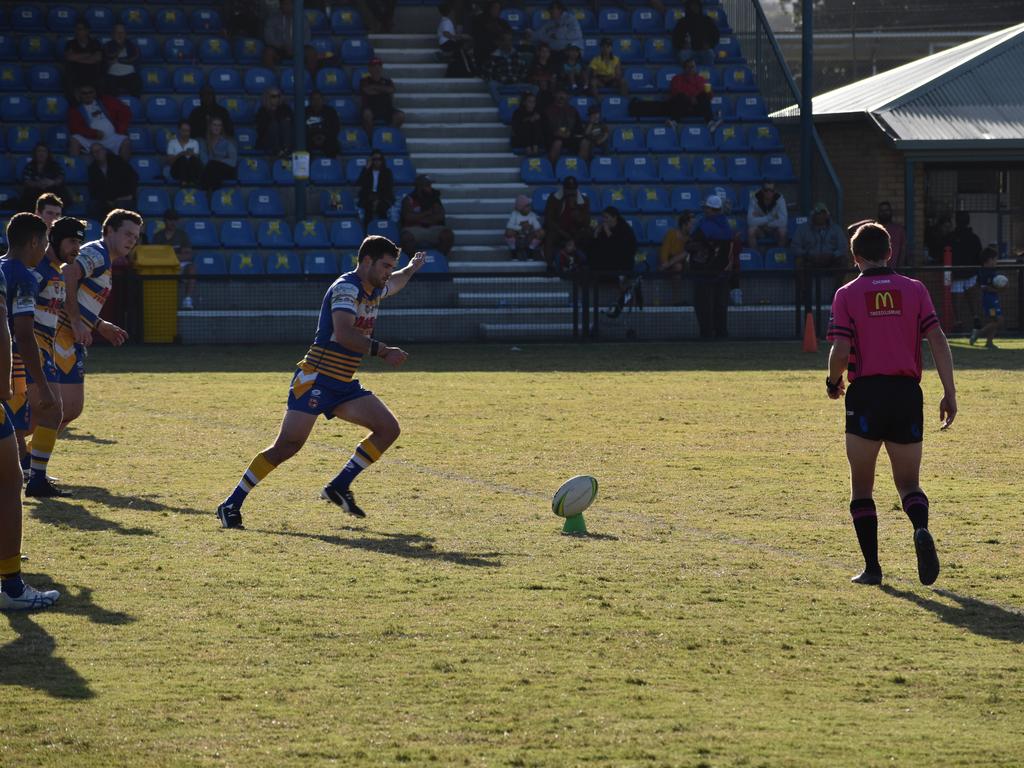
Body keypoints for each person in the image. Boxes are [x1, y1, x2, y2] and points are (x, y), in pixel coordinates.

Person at [216, 238, 427, 528]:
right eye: (386, 266)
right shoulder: (346, 288)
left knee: (388, 429)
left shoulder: (375, 287)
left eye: (392, 266)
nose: (389, 272)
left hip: (342, 383)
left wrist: (410, 269)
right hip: (316, 379)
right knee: (287, 446)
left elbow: (397, 282)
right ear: (367, 261)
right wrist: (383, 350)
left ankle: (339, 486)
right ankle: (231, 503)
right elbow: (343, 334)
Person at [825, 221, 956, 587]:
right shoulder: (914, 289)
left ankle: (873, 569)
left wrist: (833, 382)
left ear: (855, 257)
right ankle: (920, 528)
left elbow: (841, 350)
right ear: (889, 252)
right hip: (906, 394)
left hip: (866, 395)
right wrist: (950, 391)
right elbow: (938, 339)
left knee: (862, 488)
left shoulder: (847, 293)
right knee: (909, 484)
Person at [0, 214, 61, 611]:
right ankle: (12, 585)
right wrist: (39, 383)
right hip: (7, 384)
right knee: (9, 483)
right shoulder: (21, 276)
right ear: (36, 242)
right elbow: (21, 334)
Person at [53, 209, 136, 433]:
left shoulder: (103, 259)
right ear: (109, 230)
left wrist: (98, 324)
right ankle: (22, 459)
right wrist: (76, 322)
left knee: (67, 409)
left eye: (136, 237)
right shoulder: (98, 253)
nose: (132, 240)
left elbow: (79, 296)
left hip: (68, 337)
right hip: (59, 335)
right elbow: (68, 273)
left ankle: (28, 462)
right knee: (58, 408)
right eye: (128, 234)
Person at [18, 217, 83, 497]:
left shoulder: (56, 271)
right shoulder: (38, 271)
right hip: (31, 351)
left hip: (47, 351)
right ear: (54, 240)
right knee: (34, 414)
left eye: (80, 242)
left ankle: (35, 475)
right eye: (72, 241)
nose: (76, 248)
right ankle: (32, 475)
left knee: (50, 413)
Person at [686, 195, 735, 339]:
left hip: (704, 272)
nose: (705, 210)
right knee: (720, 305)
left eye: (706, 208)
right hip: (722, 271)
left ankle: (706, 334)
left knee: (703, 305)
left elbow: (690, 245)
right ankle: (721, 333)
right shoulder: (726, 224)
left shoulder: (705, 225)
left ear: (710, 209)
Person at [792, 202, 846, 301]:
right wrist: (808, 254)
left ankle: (836, 294)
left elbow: (843, 247)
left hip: (830, 260)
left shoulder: (836, 229)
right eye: (817, 213)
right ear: (813, 215)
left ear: (827, 215)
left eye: (822, 213)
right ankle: (805, 294)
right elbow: (795, 247)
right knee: (799, 262)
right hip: (810, 260)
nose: (820, 216)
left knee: (843, 261)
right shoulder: (802, 229)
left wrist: (832, 255)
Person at [943, 210, 983, 333]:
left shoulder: (950, 237)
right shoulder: (974, 237)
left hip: (956, 273)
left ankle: (959, 322)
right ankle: (975, 318)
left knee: (957, 298)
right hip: (970, 272)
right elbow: (979, 256)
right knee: (972, 297)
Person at [68, 86, 132, 160]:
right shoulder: (75, 108)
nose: (88, 95)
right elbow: (76, 127)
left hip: (111, 137)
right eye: (84, 93)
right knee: (73, 140)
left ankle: (123, 167)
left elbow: (125, 111)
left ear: (95, 93)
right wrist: (93, 133)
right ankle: (73, 167)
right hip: (90, 139)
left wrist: (121, 128)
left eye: (90, 92)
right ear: (79, 95)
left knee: (126, 142)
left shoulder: (107, 101)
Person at [149, 211, 195, 310]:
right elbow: (154, 255)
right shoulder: (158, 236)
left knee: (191, 268)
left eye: (175, 220)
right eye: (170, 220)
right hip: (163, 266)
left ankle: (187, 300)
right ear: (165, 221)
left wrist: (169, 256)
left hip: (179, 265)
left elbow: (188, 255)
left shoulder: (182, 235)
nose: (172, 223)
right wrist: (174, 256)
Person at [542, 176, 591, 270]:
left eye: (573, 191)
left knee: (588, 233)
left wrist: (577, 212)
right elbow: (549, 220)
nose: (570, 194)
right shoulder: (554, 198)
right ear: (564, 189)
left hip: (575, 231)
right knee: (550, 235)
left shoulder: (584, 200)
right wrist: (563, 233)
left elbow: (586, 222)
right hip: (559, 230)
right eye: (568, 191)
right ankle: (550, 265)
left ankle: (586, 263)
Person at [400, 175, 454, 256]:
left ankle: (438, 258)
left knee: (447, 235)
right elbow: (408, 217)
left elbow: (440, 216)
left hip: (433, 227)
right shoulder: (409, 199)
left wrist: (419, 217)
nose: (430, 188)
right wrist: (428, 213)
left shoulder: (435, 198)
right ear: (419, 187)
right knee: (406, 237)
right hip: (415, 228)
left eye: (430, 185)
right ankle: (413, 262)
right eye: (427, 186)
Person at [87, 144, 138, 221]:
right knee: (94, 206)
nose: (97, 153)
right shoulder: (92, 169)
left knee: (121, 206)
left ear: (104, 151)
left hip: (123, 197)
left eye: (99, 150)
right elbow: (94, 190)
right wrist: (107, 201)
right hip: (105, 200)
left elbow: (132, 178)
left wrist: (128, 195)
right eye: (94, 152)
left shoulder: (118, 162)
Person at [359, 58, 406, 140]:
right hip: (371, 109)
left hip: (387, 109)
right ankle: (370, 139)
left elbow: (392, 90)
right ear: (369, 69)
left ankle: (389, 136)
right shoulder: (364, 81)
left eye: (379, 66)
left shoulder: (388, 81)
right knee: (367, 114)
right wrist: (383, 90)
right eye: (374, 67)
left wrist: (374, 88)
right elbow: (367, 90)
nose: (377, 69)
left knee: (400, 115)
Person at [19, 145, 70, 213]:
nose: (41, 153)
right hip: (35, 192)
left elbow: (61, 178)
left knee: (60, 191)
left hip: (52, 191)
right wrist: (37, 184)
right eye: (39, 151)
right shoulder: (30, 166)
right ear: (35, 153)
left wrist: (52, 182)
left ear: (48, 153)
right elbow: (26, 180)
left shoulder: (55, 166)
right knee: (27, 194)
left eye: (44, 151)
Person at [544, 89, 588, 167]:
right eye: (559, 93)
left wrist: (570, 133)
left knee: (585, 142)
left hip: (570, 136)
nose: (561, 96)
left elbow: (579, 128)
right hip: (553, 137)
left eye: (564, 94)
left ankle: (580, 168)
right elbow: (544, 128)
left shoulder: (573, 110)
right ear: (555, 95)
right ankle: (553, 169)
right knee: (558, 143)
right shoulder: (548, 110)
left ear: (567, 96)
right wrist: (555, 132)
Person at [971, 247, 1004, 349]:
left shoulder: (989, 271)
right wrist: (999, 289)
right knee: (999, 320)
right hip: (990, 301)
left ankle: (989, 342)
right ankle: (978, 333)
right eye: (995, 259)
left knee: (993, 320)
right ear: (989, 260)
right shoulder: (986, 272)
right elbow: (984, 287)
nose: (996, 262)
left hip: (992, 299)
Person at [666, 57, 713, 126]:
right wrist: (690, 98)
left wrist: (707, 94)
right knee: (680, 96)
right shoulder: (677, 79)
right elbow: (675, 92)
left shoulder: (701, 79)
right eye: (689, 67)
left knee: (704, 95)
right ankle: (674, 121)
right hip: (683, 108)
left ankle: (710, 122)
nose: (691, 69)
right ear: (684, 68)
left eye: (693, 66)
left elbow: (708, 95)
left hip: (697, 107)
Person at [263, 0, 311, 67]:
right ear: (280, 5)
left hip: (298, 49)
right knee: (268, 52)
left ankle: (310, 76)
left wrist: (295, 47)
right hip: (279, 49)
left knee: (311, 53)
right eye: (284, 4)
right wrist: (281, 45)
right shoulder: (272, 19)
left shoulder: (302, 18)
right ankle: (271, 76)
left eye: (289, 4)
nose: (286, 6)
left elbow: (307, 37)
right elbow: (268, 37)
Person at [484, 33, 529, 104]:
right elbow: (488, 73)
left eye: (510, 40)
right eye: (506, 40)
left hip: (515, 82)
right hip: (500, 83)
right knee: (491, 84)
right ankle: (502, 103)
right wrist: (499, 78)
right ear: (501, 42)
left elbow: (524, 69)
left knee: (534, 88)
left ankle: (520, 102)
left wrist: (518, 79)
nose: (508, 43)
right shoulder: (494, 56)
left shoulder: (517, 54)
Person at [62, 19, 104, 97]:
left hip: (92, 75)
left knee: (101, 82)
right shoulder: (70, 43)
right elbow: (70, 57)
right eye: (76, 29)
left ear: (87, 31)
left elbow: (97, 58)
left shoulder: (95, 43)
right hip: (75, 76)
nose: (77, 31)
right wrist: (89, 54)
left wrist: (77, 58)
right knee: (68, 81)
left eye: (80, 29)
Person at [671, 0, 719, 66]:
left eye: (697, 6)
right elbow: (675, 38)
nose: (695, 8)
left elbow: (716, 35)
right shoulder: (682, 22)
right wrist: (682, 45)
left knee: (710, 54)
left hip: (704, 50)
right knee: (683, 54)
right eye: (692, 6)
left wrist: (710, 44)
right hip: (689, 50)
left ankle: (708, 72)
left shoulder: (707, 20)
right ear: (689, 7)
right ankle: (687, 74)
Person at [356, 150, 395, 230]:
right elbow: (359, 182)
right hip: (368, 196)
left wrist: (378, 199)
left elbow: (387, 188)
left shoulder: (387, 172)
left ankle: (384, 232)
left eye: (379, 159)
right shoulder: (367, 172)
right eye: (374, 159)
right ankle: (367, 233)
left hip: (383, 197)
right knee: (368, 208)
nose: (377, 162)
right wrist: (366, 168)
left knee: (382, 208)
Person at [102, 23, 142, 98]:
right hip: (112, 75)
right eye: (117, 32)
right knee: (106, 84)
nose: (120, 35)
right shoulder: (107, 45)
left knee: (137, 82)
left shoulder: (132, 45)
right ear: (113, 34)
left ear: (125, 34)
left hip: (129, 75)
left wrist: (118, 60)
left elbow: (135, 59)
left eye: (122, 32)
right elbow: (107, 57)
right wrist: (117, 51)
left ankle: (134, 105)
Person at [198, 118, 238, 192]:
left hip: (226, 170)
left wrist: (219, 160)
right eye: (214, 125)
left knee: (213, 165)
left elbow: (233, 161)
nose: (217, 127)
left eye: (219, 125)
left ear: (222, 128)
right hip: (210, 170)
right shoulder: (204, 142)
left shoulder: (227, 143)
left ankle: (203, 192)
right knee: (211, 167)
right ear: (210, 127)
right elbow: (204, 160)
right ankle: (214, 193)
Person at [437, 3, 477, 77]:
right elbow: (446, 33)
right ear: (450, 12)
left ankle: (447, 56)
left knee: (461, 48)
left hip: (447, 43)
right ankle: (468, 69)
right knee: (462, 48)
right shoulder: (446, 21)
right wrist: (458, 37)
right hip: (446, 43)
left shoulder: (445, 20)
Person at [747, 181, 787, 248]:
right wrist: (770, 218)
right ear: (762, 191)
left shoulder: (780, 199)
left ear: (774, 191)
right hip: (761, 230)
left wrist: (763, 221)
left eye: (771, 190)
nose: (769, 192)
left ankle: (780, 255)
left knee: (783, 231)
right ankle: (755, 256)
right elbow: (750, 221)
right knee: (751, 231)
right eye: (766, 190)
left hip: (774, 229)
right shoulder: (754, 198)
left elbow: (783, 222)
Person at [255, 88, 294, 158]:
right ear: (268, 97)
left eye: (278, 96)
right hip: (268, 140)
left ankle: (286, 150)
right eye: (273, 96)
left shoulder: (286, 108)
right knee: (274, 125)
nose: (276, 98)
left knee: (285, 123)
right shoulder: (262, 111)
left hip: (284, 139)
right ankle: (278, 151)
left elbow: (291, 124)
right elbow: (261, 130)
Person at [472, 0, 513, 66]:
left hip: (501, 51)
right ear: (489, 8)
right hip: (484, 53)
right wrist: (497, 43)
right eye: (495, 8)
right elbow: (480, 39)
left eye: (498, 9)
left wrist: (506, 39)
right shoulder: (478, 20)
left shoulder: (501, 22)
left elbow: (509, 33)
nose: (497, 10)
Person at [504, 195, 544, 261]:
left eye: (529, 205)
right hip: (517, 238)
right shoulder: (515, 214)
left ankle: (530, 250)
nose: (529, 208)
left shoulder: (532, 215)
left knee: (541, 232)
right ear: (521, 208)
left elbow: (538, 227)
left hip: (528, 238)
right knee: (508, 232)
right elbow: (509, 226)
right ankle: (514, 251)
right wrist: (520, 228)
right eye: (527, 206)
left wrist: (530, 228)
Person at [164, 121, 204, 187]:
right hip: (177, 170)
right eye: (184, 130)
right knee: (182, 159)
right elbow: (170, 162)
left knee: (193, 159)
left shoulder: (194, 142)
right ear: (179, 130)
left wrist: (192, 154)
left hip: (192, 169)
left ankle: (194, 182)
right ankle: (184, 182)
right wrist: (181, 154)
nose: (186, 133)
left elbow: (197, 160)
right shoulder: (172, 143)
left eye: (188, 131)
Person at [306, 90, 341, 157]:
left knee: (333, 145)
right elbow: (302, 129)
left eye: (319, 99)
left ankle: (331, 165)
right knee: (302, 145)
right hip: (310, 139)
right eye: (314, 99)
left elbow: (336, 127)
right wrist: (313, 137)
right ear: (310, 101)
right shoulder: (305, 111)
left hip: (326, 138)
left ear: (323, 100)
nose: (316, 101)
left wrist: (324, 137)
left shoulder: (330, 111)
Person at [510, 91, 545, 156]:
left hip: (536, 140)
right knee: (527, 124)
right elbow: (515, 129)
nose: (532, 104)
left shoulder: (538, 112)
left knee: (536, 122)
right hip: (521, 139)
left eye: (534, 102)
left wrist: (538, 119)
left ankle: (535, 147)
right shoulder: (517, 113)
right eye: (529, 102)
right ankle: (528, 148)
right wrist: (529, 119)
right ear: (524, 102)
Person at [526, 43, 557, 112]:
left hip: (549, 90)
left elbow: (553, 77)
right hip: (537, 90)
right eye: (543, 51)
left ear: (549, 53)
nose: (545, 54)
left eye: (547, 52)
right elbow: (531, 77)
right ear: (538, 52)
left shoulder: (552, 65)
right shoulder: (533, 64)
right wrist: (543, 79)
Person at [876, 201, 906, 267]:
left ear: (891, 212)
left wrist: (900, 268)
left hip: (895, 270)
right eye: (882, 210)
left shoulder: (899, 230)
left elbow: (903, 250)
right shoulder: (874, 230)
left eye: (886, 210)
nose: (884, 213)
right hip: (878, 270)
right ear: (878, 213)